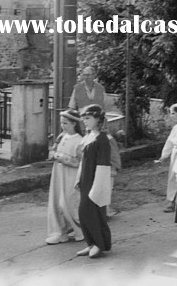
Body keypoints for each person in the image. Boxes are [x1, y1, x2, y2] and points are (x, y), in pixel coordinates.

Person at [75, 104, 112, 259]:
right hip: (85, 178)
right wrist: (78, 179)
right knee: (83, 213)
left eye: (88, 118)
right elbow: (83, 161)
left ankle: (99, 244)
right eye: (84, 118)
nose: (85, 121)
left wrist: (98, 187)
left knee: (91, 212)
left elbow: (103, 165)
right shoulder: (88, 137)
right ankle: (90, 243)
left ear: (98, 120)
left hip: (95, 179)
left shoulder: (102, 139)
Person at [45, 109, 84, 244]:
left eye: (66, 123)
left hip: (71, 176)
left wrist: (62, 158)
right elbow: (54, 151)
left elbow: (80, 162)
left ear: (74, 124)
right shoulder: (62, 137)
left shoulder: (80, 141)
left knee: (68, 203)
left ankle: (79, 230)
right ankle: (60, 232)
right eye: (62, 123)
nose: (63, 126)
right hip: (58, 174)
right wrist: (53, 154)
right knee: (56, 202)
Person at [155, 102, 177, 213]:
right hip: (175, 154)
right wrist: (164, 156)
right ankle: (172, 201)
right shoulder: (176, 127)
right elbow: (169, 142)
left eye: (174, 113)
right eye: (171, 113)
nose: (172, 116)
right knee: (172, 178)